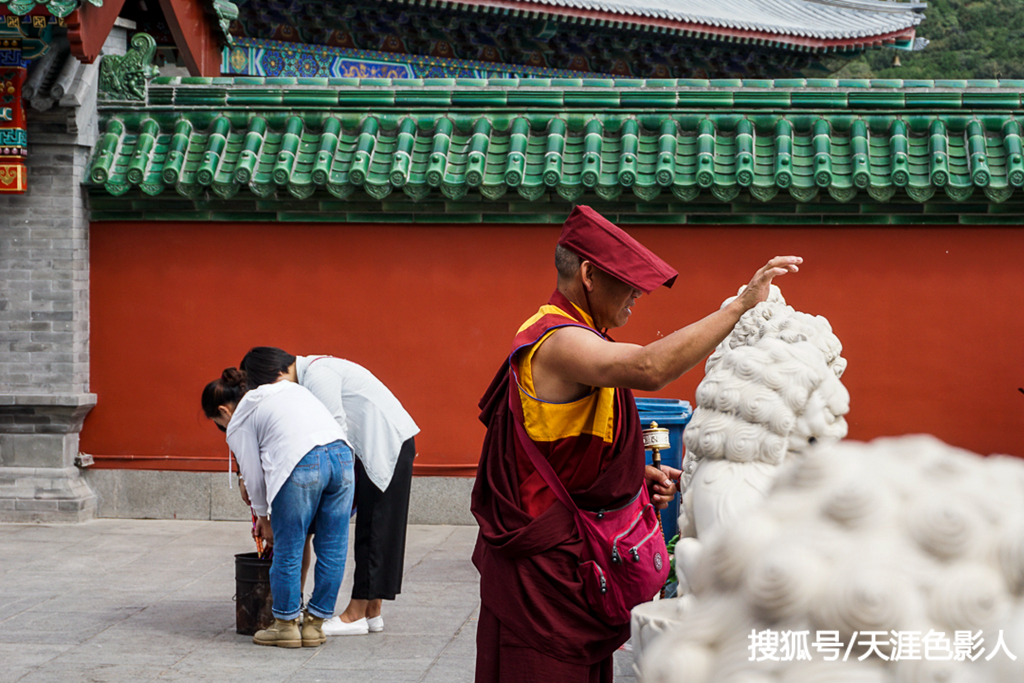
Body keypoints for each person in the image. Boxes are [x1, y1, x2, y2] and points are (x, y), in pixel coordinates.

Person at [471, 205, 802, 682]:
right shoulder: (558, 339)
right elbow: (648, 368)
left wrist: (629, 477)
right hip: (545, 570)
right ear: (588, 274)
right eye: (628, 283)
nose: (637, 296)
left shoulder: (586, 337)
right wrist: (738, 307)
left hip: (578, 560)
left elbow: (564, 448)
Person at [240, 348, 419, 636]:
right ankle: (372, 612)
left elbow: (332, 431)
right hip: (383, 444)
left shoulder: (318, 376)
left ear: (278, 374)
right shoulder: (314, 370)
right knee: (379, 529)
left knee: (374, 531)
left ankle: (355, 615)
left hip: (383, 445)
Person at [201, 367, 355, 648]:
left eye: (218, 423)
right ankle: (314, 625)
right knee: (333, 547)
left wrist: (263, 518)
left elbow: (253, 477)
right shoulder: (286, 388)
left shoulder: (241, 418)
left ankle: (285, 624)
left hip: (303, 461)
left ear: (224, 410)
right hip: (342, 456)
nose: (224, 429)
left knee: (289, 547)